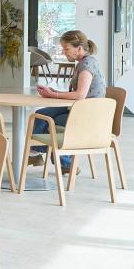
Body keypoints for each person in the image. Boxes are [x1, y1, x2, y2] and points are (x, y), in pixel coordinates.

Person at [29, 30, 106, 175]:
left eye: (66, 49)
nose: (64, 52)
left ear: (79, 48)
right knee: (41, 114)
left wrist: (54, 94)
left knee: (50, 122)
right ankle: (34, 154)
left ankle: (65, 163)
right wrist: (52, 93)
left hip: (88, 114)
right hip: (80, 108)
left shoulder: (87, 65)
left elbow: (80, 95)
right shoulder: (84, 62)